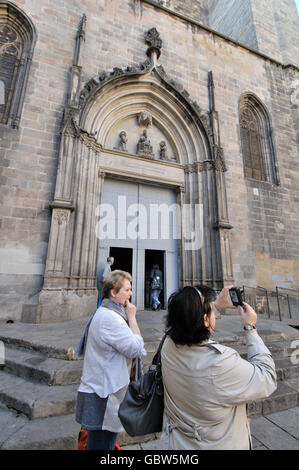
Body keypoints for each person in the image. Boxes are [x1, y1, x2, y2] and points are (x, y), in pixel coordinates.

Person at [161, 284, 277, 450]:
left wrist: (214, 306)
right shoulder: (218, 363)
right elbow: (267, 377)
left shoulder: (167, 344)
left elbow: (184, 319)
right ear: (205, 319)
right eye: (210, 310)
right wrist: (250, 328)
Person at [75, 270, 146, 450]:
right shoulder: (112, 318)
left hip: (103, 389)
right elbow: (137, 348)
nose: (131, 294)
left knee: (103, 442)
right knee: (102, 444)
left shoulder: (104, 313)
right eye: (127, 290)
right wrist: (132, 317)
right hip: (105, 393)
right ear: (113, 293)